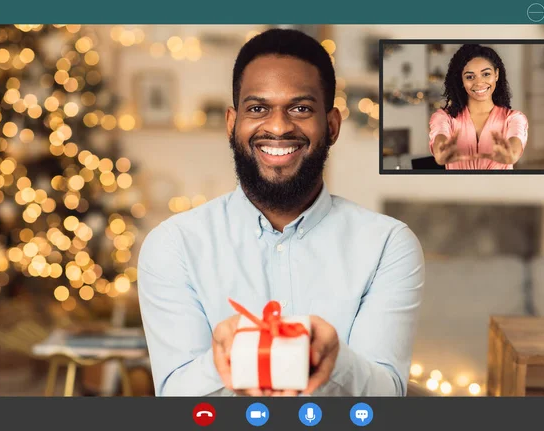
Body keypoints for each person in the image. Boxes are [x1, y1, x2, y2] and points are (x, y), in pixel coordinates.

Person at [137, 28, 425, 397]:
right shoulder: (173, 245)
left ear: (332, 125)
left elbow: (388, 394)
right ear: (231, 123)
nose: (278, 126)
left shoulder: (387, 244)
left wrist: (335, 358)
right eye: (258, 108)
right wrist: (225, 356)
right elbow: (175, 395)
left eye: (301, 108)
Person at [429, 44, 528, 170]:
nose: (479, 82)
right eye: (470, 77)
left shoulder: (514, 118)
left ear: (496, 74)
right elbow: (439, 140)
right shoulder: (444, 118)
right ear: (461, 80)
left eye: (486, 74)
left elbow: (515, 146)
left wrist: (511, 155)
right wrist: (440, 152)